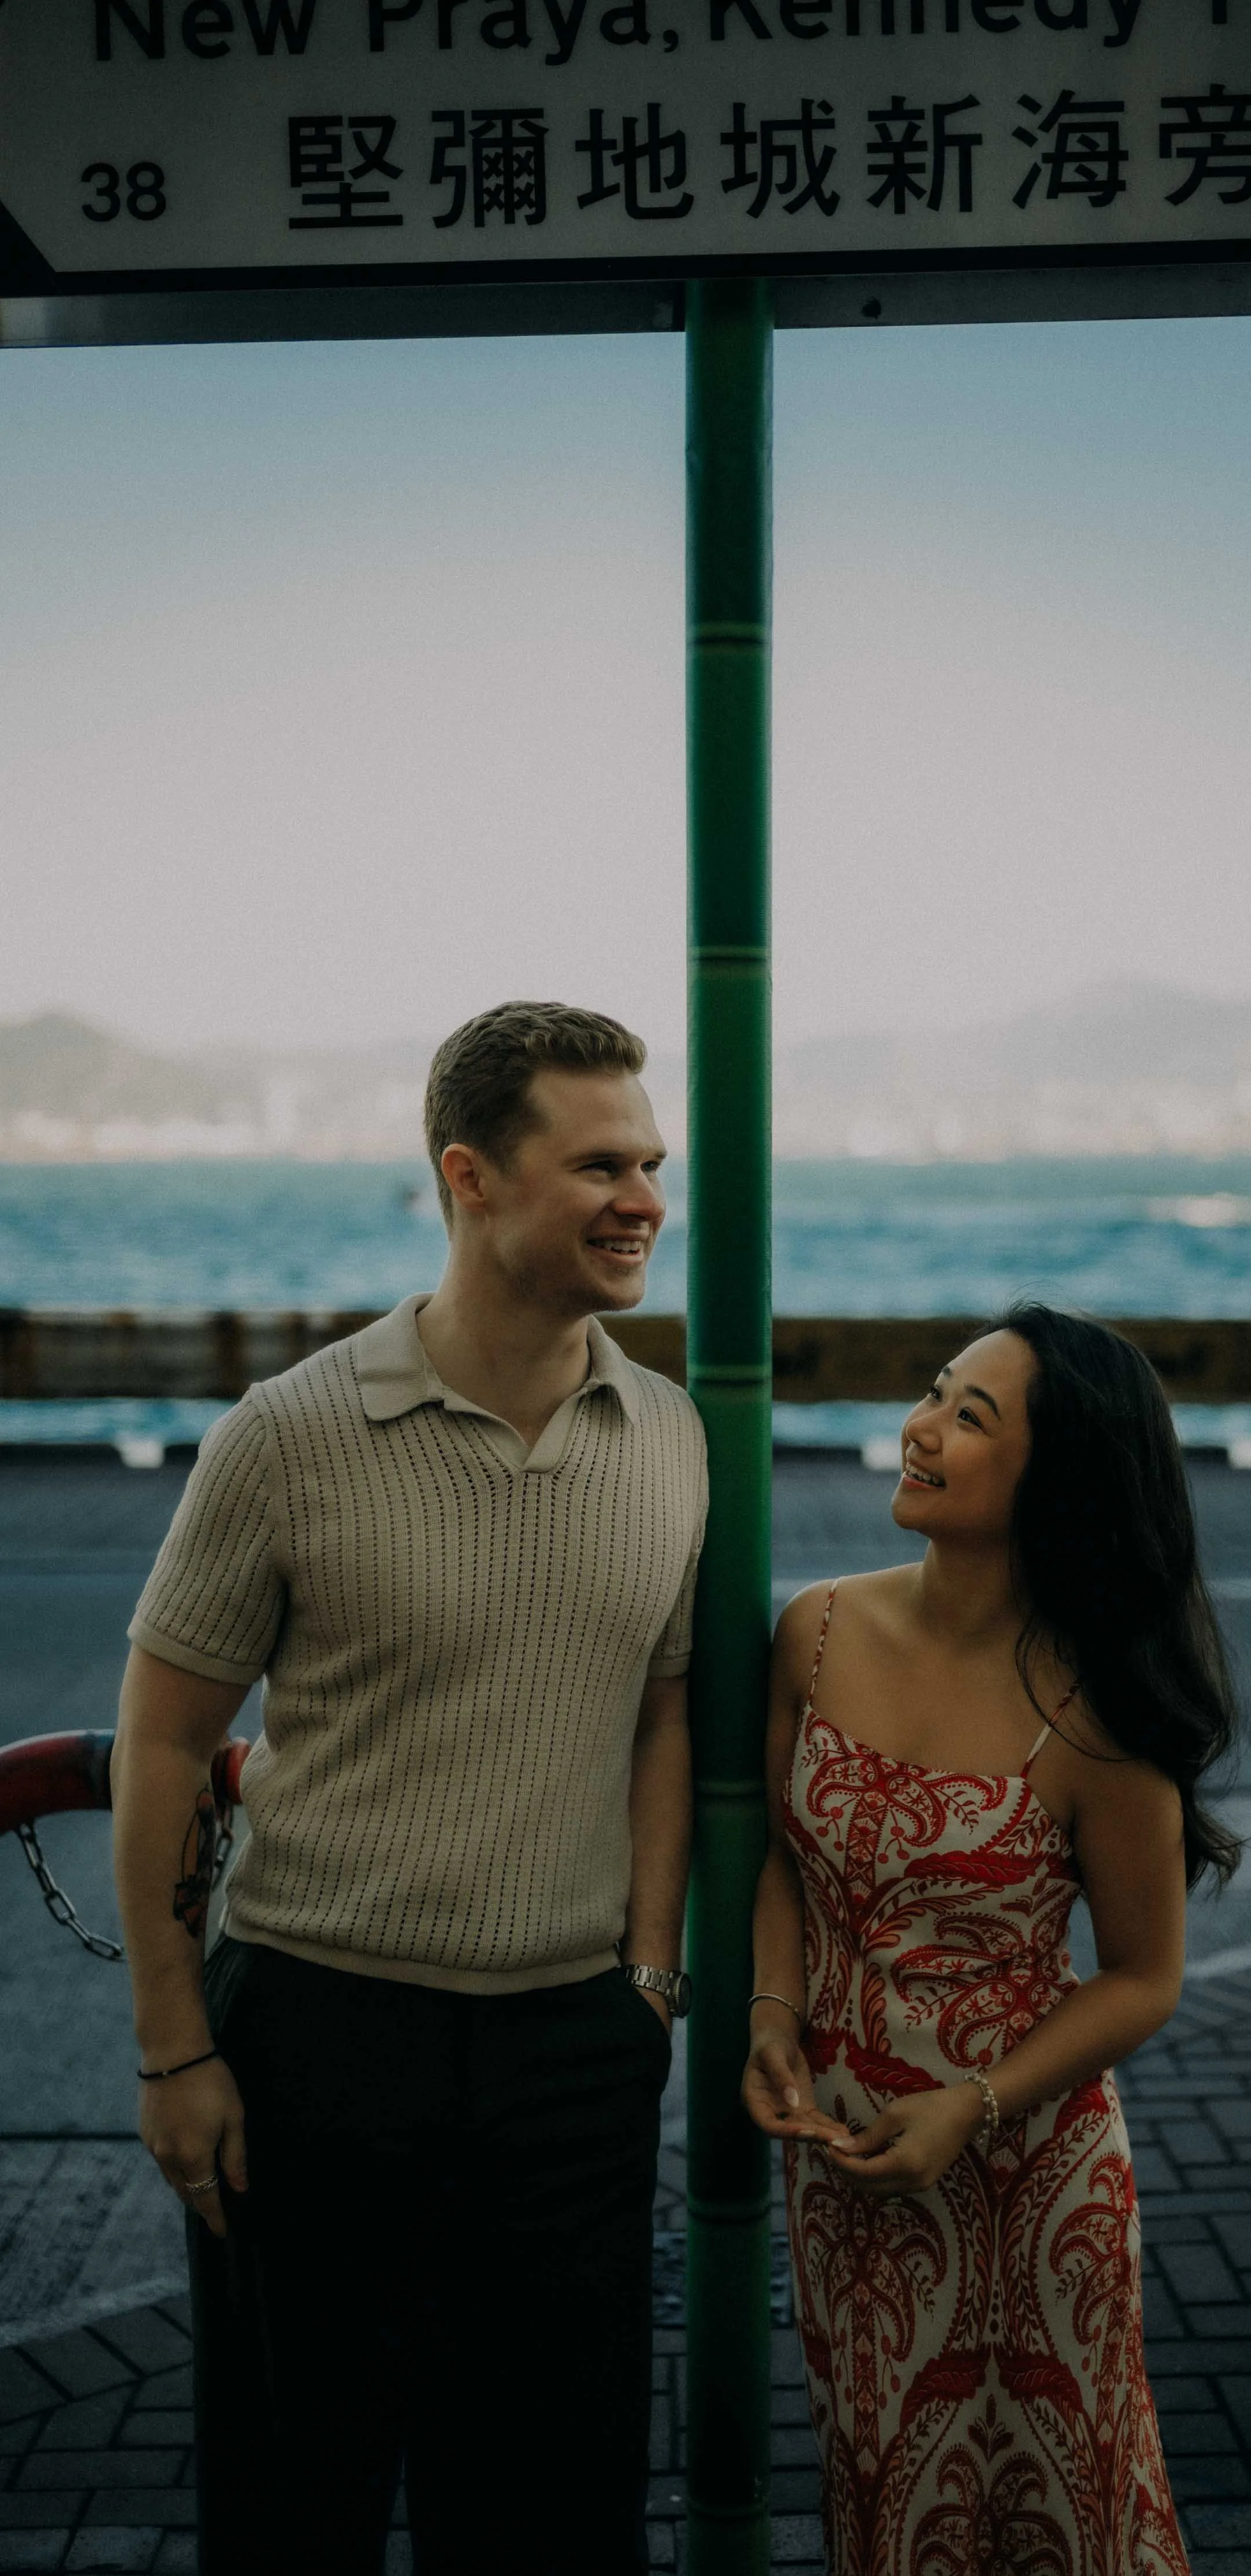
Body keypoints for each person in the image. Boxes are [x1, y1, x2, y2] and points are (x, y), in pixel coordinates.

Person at [111, 1002, 705, 2576]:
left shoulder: (671, 1434)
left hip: (572, 2051)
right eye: (598, 1163)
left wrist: (644, 1975)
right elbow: (165, 1742)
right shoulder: (287, 1437)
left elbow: (664, 1708)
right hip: (313, 2036)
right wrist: (177, 2047)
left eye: (649, 1160)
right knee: (293, 2503)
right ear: (470, 1177)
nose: (643, 1195)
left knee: (555, 2520)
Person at [743, 1304, 1239, 2576]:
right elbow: (780, 1866)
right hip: (847, 2169)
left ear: (1055, 1475)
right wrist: (770, 2015)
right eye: (929, 1393)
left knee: (1064, 2509)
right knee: (883, 2501)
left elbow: (1142, 1975)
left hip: (1029, 2172)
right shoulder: (814, 1631)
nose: (919, 1429)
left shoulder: (1094, 1710)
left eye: (969, 1416)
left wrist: (973, 2100)